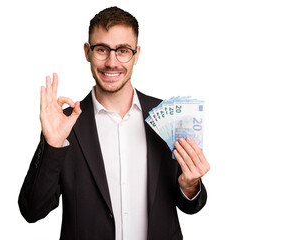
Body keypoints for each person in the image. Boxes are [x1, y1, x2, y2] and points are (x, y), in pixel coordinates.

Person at [18, 6, 210, 240]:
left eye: (122, 50)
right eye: (102, 49)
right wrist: (52, 146)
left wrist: (190, 186)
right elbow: (32, 211)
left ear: (136, 54)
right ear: (87, 52)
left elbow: (192, 205)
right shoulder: (64, 125)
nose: (111, 62)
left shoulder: (168, 117)